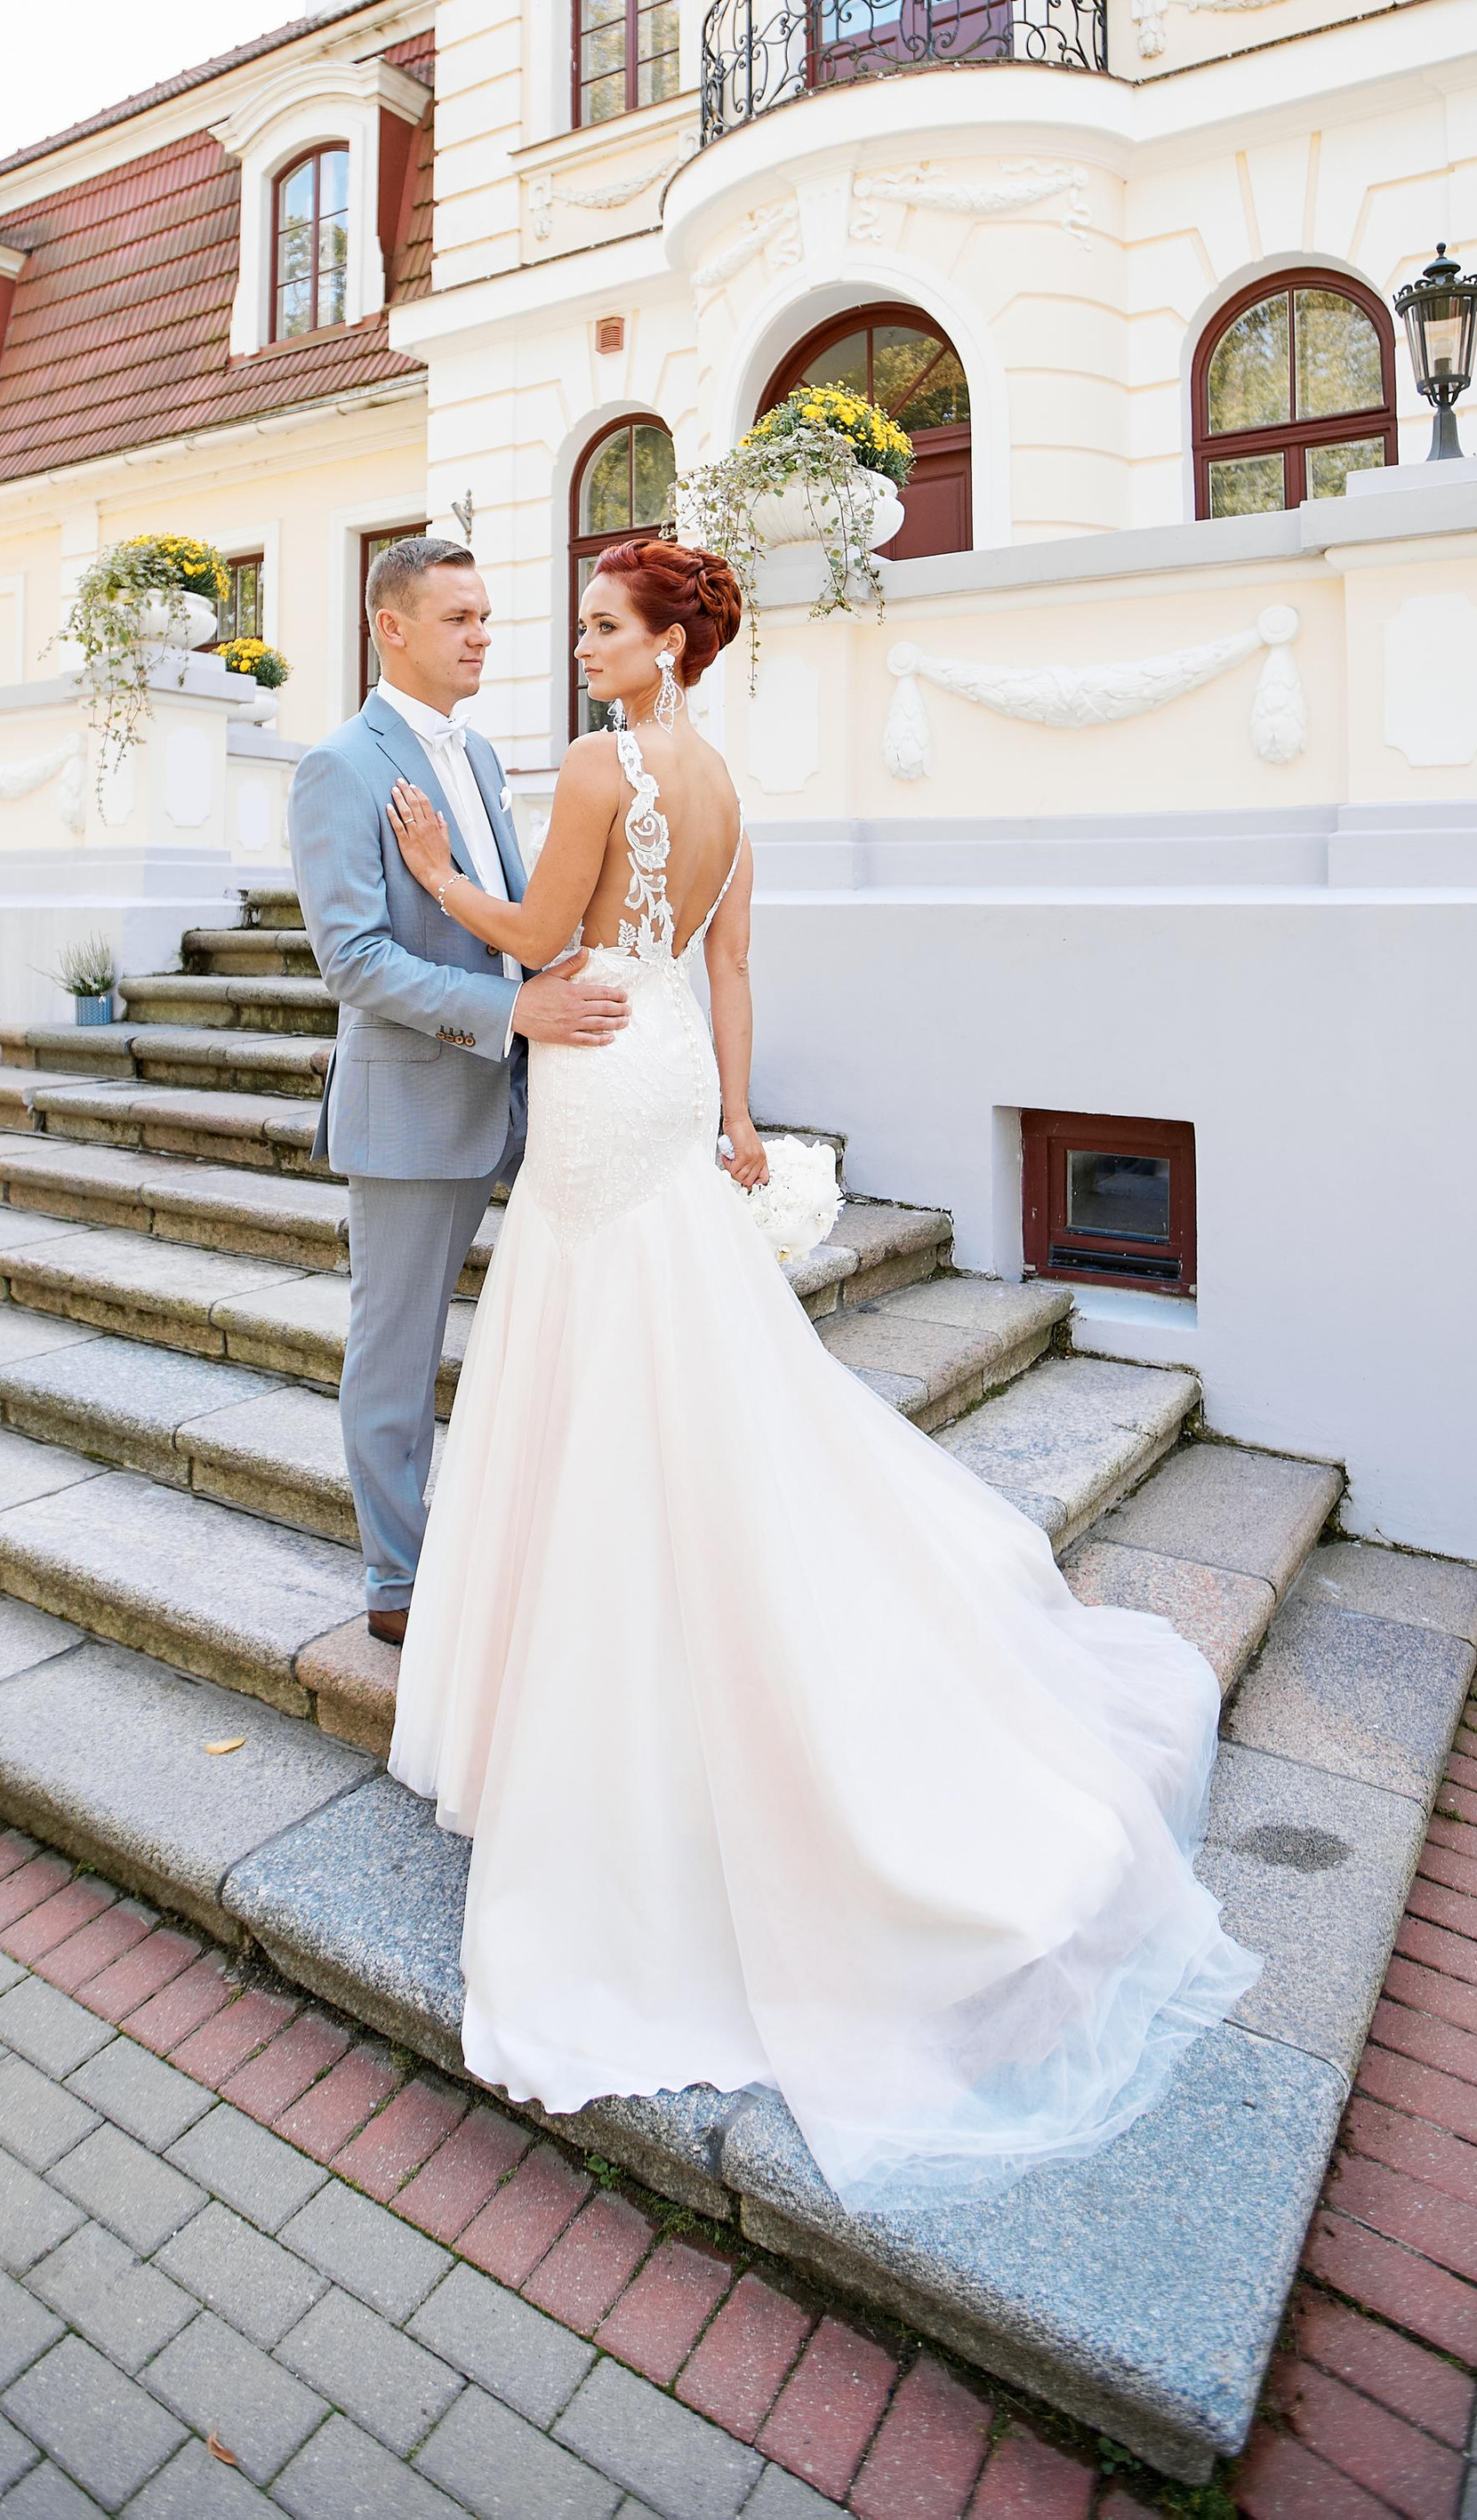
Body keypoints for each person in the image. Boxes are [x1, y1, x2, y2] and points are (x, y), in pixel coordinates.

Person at [381, 533, 1259, 2208]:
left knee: (598, 1361)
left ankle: (615, 1725)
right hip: (664, 1091)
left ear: (665, 647)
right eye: (576, 626)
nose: (580, 649)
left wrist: (436, 873)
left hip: (587, 1076)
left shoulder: (596, 765)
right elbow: (727, 963)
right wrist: (730, 1118)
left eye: (602, 627)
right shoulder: (722, 781)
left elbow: (542, 934)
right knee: (680, 1366)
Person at [288, 538, 631, 1643]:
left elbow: (512, 916)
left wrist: (572, 980)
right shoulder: (339, 765)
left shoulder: (480, 758)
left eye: (485, 617)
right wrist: (508, 1013)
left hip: (529, 1090)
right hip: (413, 1106)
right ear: (391, 628)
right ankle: (397, 1585)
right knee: (395, 1353)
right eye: (458, 620)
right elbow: (352, 958)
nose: (483, 635)